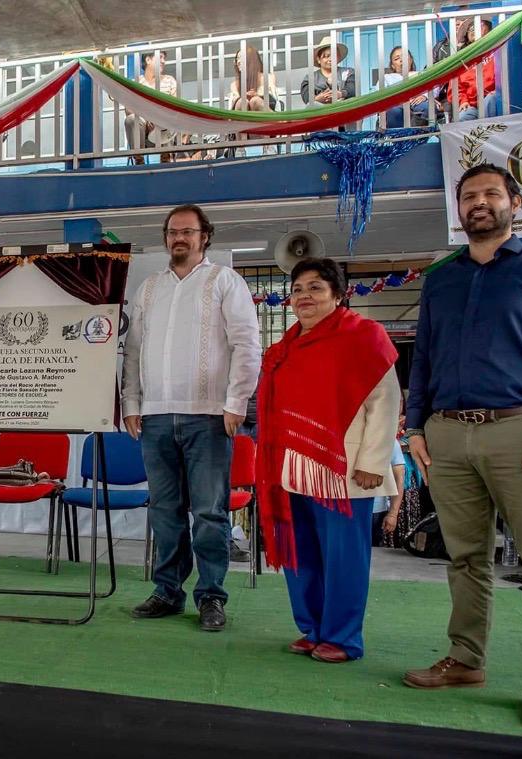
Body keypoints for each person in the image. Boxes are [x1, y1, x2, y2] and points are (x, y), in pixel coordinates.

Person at [403, 164, 522, 727]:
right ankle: (465, 658)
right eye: (469, 196)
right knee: (465, 557)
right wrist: (414, 428)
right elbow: (424, 359)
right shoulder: (442, 280)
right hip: (447, 435)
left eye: (490, 194)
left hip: (521, 433)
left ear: (513, 202)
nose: (479, 203)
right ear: (459, 210)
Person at [121, 204, 261, 631]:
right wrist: (131, 402)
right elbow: (133, 352)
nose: (179, 238)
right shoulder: (148, 289)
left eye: (188, 231)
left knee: (209, 512)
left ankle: (212, 596)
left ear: (205, 237)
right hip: (156, 417)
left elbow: (247, 345)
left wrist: (236, 402)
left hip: (208, 417)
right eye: (172, 231)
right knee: (164, 510)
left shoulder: (224, 282)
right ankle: (167, 591)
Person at [256, 258, 400, 663]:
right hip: (291, 470)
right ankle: (313, 628)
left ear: (338, 295)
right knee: (301, 554)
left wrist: (374, 462)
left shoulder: (364, 337)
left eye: (316, 287)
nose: (305, 296)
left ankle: (342, 637)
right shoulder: (283, 348)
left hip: (347, 471)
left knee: (344, 559)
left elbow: (386, 403)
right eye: (298, 289)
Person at [124, 50, 180, 164]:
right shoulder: (136, 82)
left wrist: (157, 117)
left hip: (164, 128)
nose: (164, 61)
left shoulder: (170, 81)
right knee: (131, 119)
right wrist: (147, 116)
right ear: (148, 60)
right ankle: (139, 160)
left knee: (166, 117)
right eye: (160, 57)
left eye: (164, 58)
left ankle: (166, 158)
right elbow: (128, 109)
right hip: (143, 130)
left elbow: (176, 107)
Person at [301, 36, 356, 129]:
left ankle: (350, 138)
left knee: (354, 105)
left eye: (333, 55)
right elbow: (306, 97)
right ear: (319, 59)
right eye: (326, 56)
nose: (330, 59)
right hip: (322, 117)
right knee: (311, 106)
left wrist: (339, 94)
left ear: (338, 57)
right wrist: (318, 99)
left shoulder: (348, 72)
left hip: (344, 113)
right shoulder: (310, 78)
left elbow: (353, 89)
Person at [455, 19, 499, 121]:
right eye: (470, 29)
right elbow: (457, 87)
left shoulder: (496, 51)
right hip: (472, 105)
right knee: (463, 117)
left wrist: (497, 90)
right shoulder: (464, 58)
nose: (473, 30)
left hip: (492, 99)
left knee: (490, 99)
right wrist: (463, 101)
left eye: (479, 26)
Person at [373, 438, 407, 546]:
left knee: (373, 554)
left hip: (375, 511)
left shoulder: (388, 439)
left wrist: (393, 514)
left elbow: (399, 478)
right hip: (342, 506)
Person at [382, 46, 427, 129]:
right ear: (392, 65)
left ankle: (414, 134)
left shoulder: (420, 74)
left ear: (411, 60)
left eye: (404, 56)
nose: (401, 60)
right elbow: (380, 94)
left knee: (426, 107)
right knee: (394, 111)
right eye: (396, 59)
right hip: (396, 105)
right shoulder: (387, 78)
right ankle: (400, 135)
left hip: (416, 103)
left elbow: (433, 87)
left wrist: (425, 96)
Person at [229, 46, 277, 112]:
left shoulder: (268, 77)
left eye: (242, 58)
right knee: (242, 103)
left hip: (265, 111)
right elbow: (235, 103)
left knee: (255, 101)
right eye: (237, 59)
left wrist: (257, 95)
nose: (238, 62)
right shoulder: (234, 84)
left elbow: (273, 98)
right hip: (243, 115)